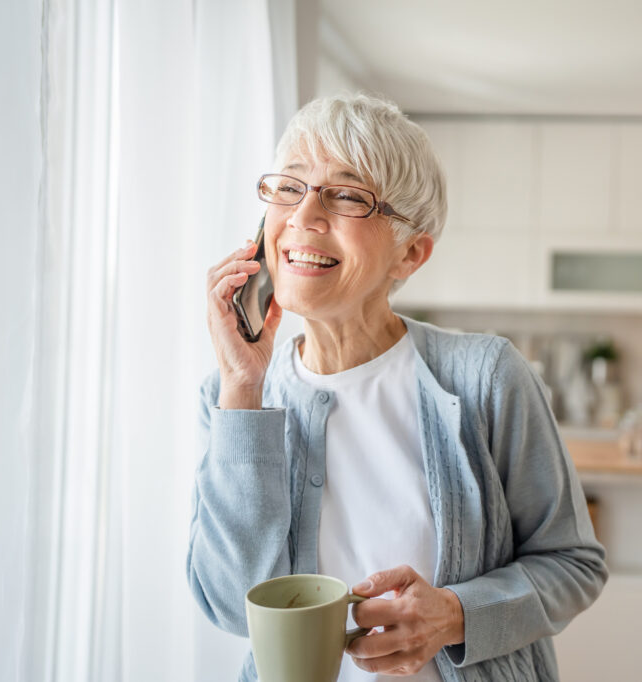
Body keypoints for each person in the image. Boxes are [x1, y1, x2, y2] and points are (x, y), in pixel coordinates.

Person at [187, 93, 607, 682]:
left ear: (410, 254)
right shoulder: (231, 399)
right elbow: (235, 608)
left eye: (348, 195)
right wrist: (241, 388)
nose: (305, 216)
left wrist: (456, 615)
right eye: (289, 187)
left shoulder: (487, 377)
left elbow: (573, 563)